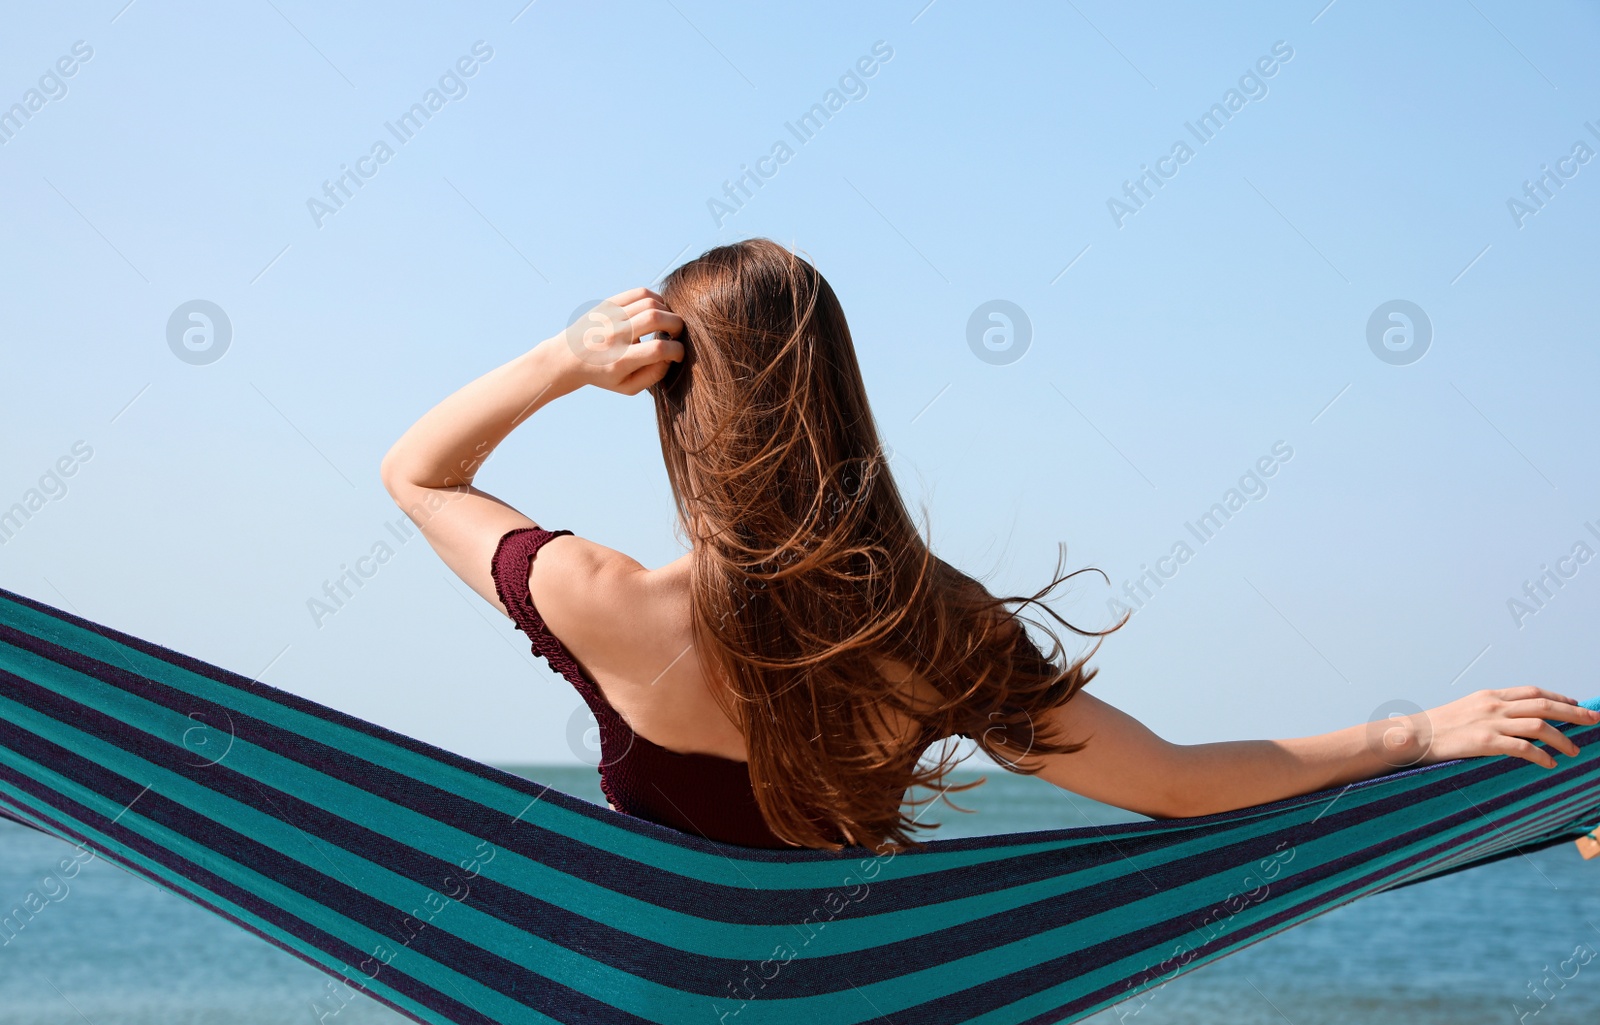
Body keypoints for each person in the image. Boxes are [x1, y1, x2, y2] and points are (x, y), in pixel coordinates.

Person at [380, 237, 1593, 852]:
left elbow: (419, 472)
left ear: (674, 403)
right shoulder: (929, 629)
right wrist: (1416, 732)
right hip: (844, 1023)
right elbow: (1172, 785)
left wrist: (563, 356)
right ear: (838, 387)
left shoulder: (597, 595)